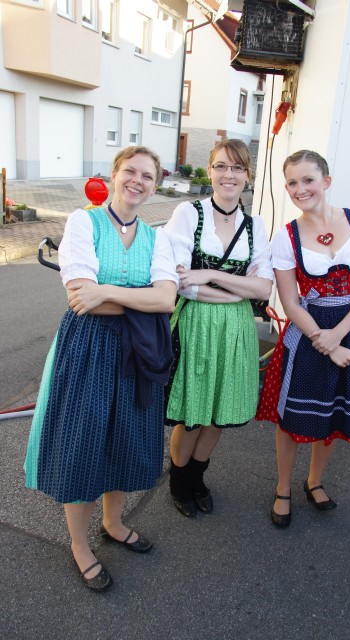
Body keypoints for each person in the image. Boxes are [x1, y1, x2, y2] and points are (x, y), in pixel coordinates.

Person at [24, 146, 177, 590]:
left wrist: (107, 292)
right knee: (84, 442)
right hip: (87, 349)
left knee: (126, 439)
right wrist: (141, 300)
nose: (137, 181)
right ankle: (79, 543)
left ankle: (113, 523)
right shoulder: (83, 222)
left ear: (155, 186)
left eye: (147, 176)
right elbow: (80, 299)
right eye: (130, 171)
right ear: (114, 174)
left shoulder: (157, 238)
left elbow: (166, 299)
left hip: (135, 351)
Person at [257, 150, 350, 528]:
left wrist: (338, 336)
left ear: (326, 181)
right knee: (292, 418)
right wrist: (323, 340)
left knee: (331, 411)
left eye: (308, 179)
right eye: (292, 183)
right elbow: (289, 301)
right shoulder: (287, 236)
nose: (301, 189)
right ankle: (283, 487)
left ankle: (314, 481)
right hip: (307, 331)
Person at [163, 139, 273, 517]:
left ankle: (198, 478)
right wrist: (236, 293)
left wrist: (209, 275)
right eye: (221, 166)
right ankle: (179, 483)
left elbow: (264, 288)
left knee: (220, 410)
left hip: (236, 330)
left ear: (247, 175)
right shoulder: (188, 213)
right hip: (196, 324)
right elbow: (180, 283)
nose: (229, 175)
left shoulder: (255, 224)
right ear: (210, 170)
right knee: (194, 412)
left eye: (237, 168)